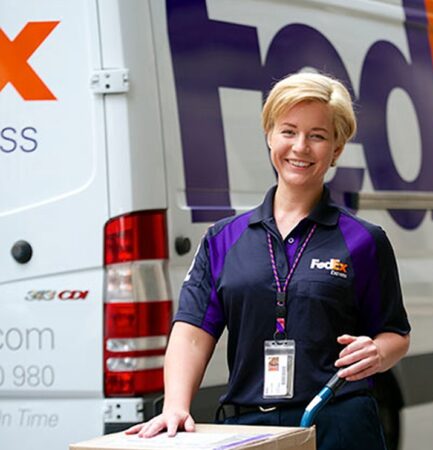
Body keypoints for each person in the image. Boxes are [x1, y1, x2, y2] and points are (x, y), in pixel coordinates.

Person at [125, 72, 411, 449]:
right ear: (269, 136)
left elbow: (395, 334)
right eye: (288, 131)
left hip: (339, 425)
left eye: (317, 136)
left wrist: (378, 352)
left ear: (337, 149)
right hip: (250, 428)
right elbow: (193, 331)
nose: (300, 147)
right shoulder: (224, 239)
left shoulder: (364, 240)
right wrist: (176, 406)